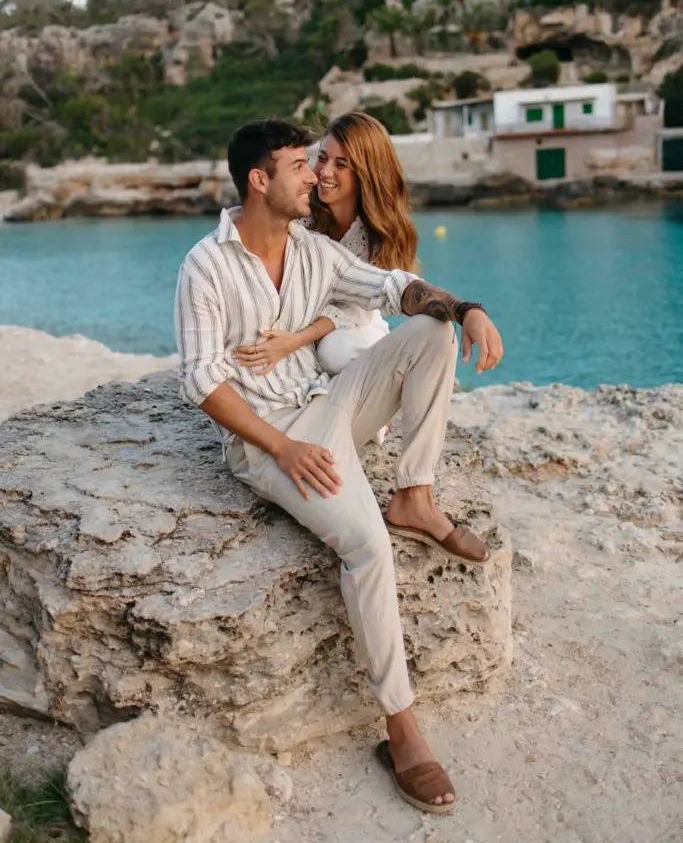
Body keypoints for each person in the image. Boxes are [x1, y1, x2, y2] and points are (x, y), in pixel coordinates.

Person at [174, 118, 504, 815]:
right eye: (300, 165)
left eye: (316, 164)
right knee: (366, 547)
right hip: (268, 440)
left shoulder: (311, 251)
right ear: (260, 180)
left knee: (430, 331)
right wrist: (283, 447)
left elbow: (394, 289)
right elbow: (203, 382)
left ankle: (414, 491)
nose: (313, 177)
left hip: (327, 404)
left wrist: (466, 307)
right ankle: (402, 728)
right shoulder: (204, 266)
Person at [232, 112, 418, 387]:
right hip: (292, 318)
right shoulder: (300, 211)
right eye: (321, 158)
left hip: (349, 327)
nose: (324, 172)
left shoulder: (379, 233)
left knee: (335, 350)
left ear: (366, 172)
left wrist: (295, 341)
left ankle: (377, 397)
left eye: (341, 164)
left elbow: (354, 310)